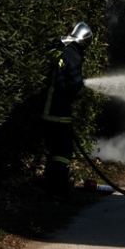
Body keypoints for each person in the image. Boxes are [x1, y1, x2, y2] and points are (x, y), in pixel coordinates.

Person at [42, 21, 93, 199]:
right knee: (63, 153)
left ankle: (51, 189)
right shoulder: (73, 54)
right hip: (60, 111)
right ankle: (59, 191)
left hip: (48, 108)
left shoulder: (60, 49)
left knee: (54, 151)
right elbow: (74, 83)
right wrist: (80, 86)